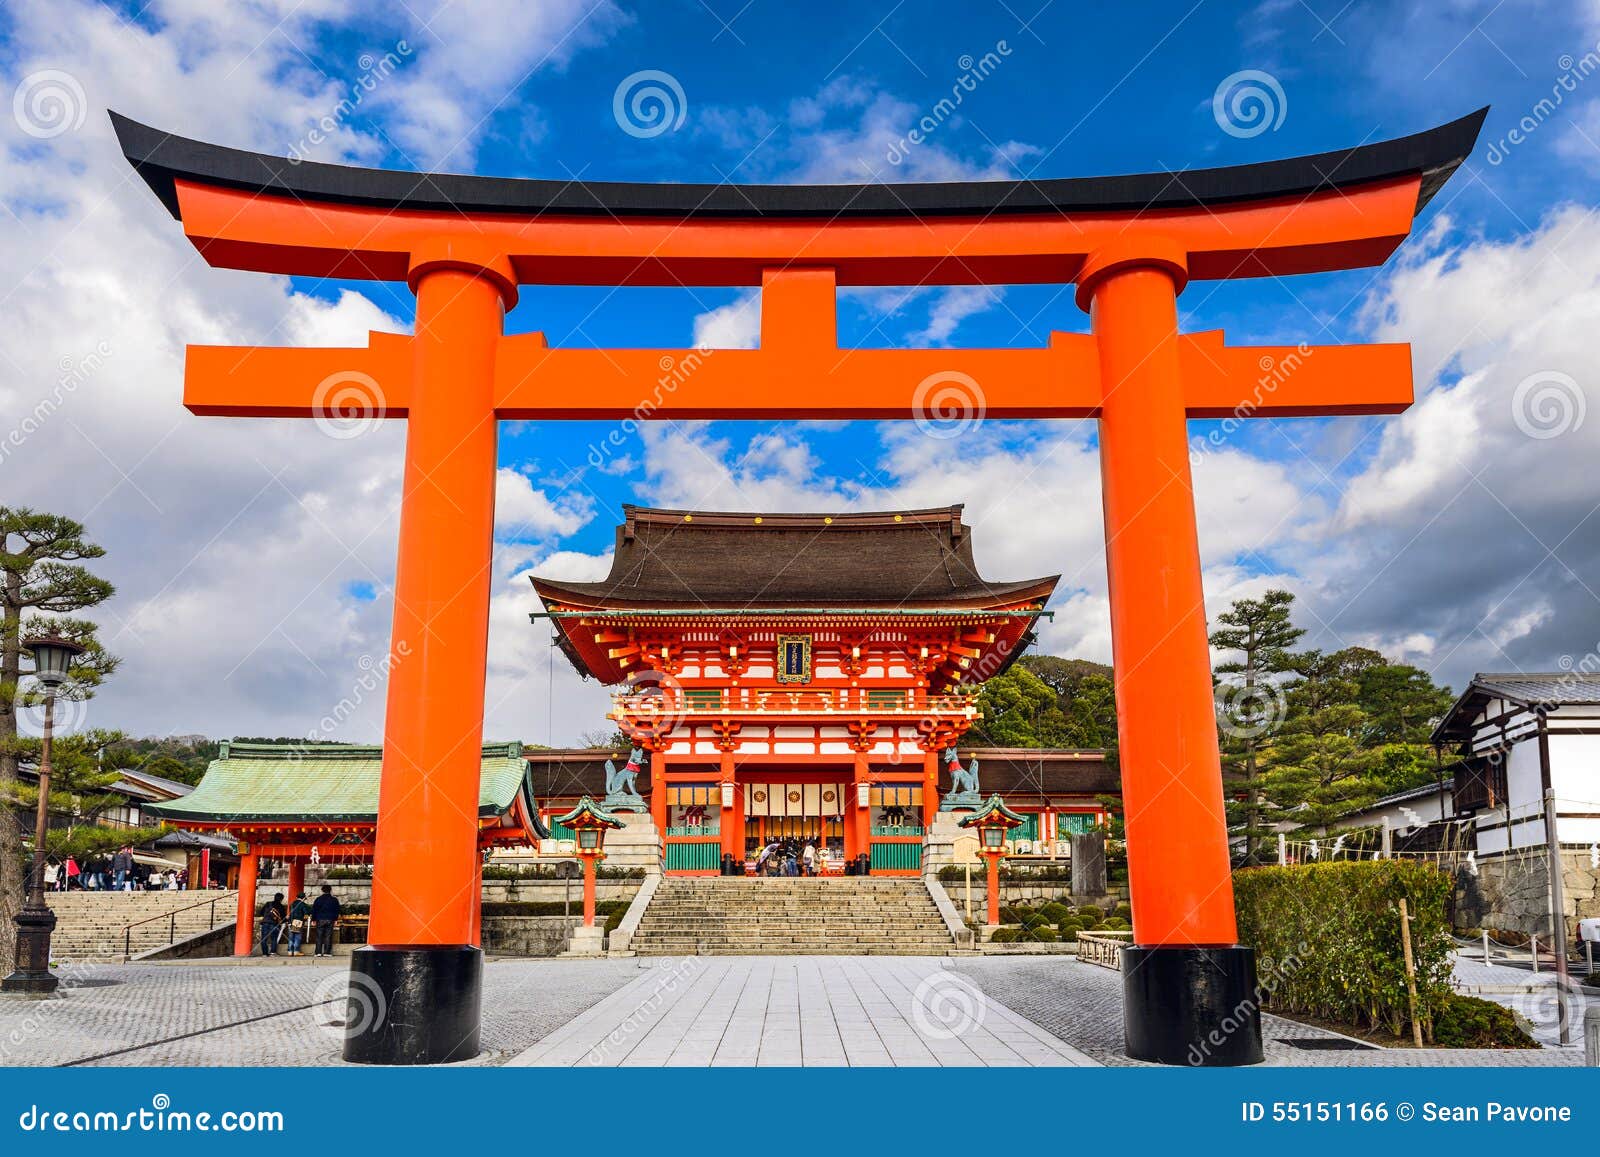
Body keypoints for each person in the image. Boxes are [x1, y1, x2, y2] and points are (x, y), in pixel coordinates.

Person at [311, 885, 341, 958]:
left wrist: (313, 919)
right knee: (328, 936)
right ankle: (327, 952)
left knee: (319, 936)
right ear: (330, 890)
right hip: (330, 919)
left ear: (322, 890)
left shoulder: (318, 899)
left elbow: (314, 910)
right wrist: (336, 919)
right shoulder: (334, 899)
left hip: (320, 919)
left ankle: (318, 952)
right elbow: (337, 910)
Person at [259, 892, 287, 956]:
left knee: (264, 938)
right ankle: (273, 952)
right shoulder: (281, 906)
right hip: (274, 924)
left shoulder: (268, 904)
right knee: (274, 938)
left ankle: (264, 953)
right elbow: (283, 918)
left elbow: (261, 912)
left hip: (265, 922)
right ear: (281, 899)